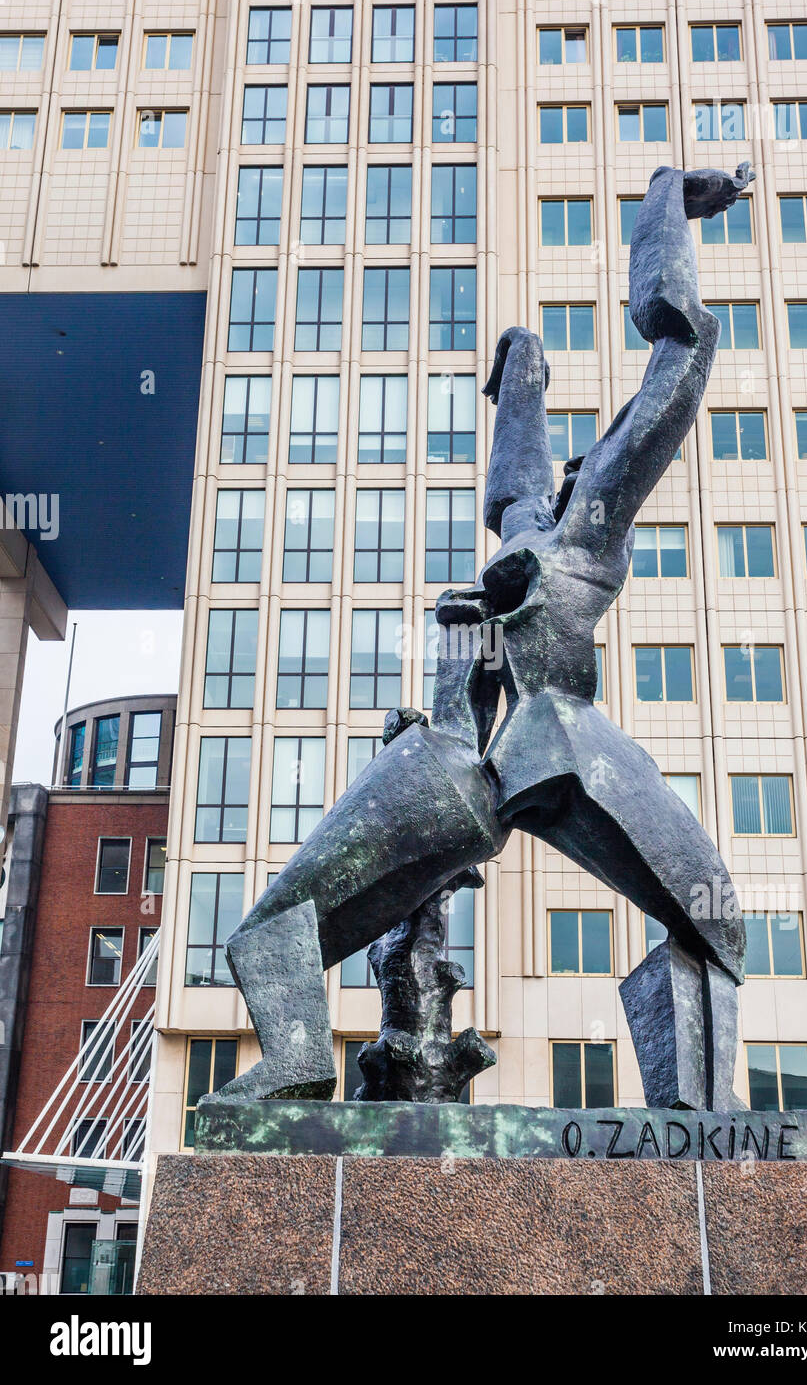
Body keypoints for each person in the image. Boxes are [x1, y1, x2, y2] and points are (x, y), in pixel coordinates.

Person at [219, 163, 755, 1110]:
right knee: (265, 933)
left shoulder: (590, 524)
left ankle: (694, 1115)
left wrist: (666, 204)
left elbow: (677, 360)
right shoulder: (540, 528)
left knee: (716, 922)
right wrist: (522, 372)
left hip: (522, 751)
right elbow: (517, 477)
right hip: (493, 755)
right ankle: (301, 1064)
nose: (556, 486)